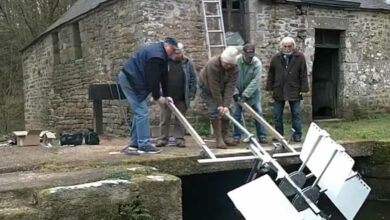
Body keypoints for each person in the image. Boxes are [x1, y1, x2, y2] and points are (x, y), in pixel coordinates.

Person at [117, 37, 178, 154]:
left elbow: (164, 77)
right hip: (129, 79)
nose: (174, 53)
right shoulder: (156, 56)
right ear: (167, 46)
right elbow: (153, 79)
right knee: (142, 110)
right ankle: (144, 144)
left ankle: (134, 144)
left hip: (135, 80)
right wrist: (157, 97)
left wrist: (166, 95)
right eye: (173, 50)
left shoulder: (163, 57)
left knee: (139, 111)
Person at [265, 36, 309, 142]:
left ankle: (297, 134)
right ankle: (278, 135)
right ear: (281, 47)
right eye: (285, 46)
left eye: (289, 46)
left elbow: (303, 73)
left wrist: (304, 88)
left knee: (296, 113)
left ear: (293, 46)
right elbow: (271, 73)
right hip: (279, 88)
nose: (287, 48)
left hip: (294, 88)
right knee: (277, 115)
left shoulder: (300, 57)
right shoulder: (276, 58)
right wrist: (269, 87)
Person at [156, 43, 197, 148]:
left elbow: (193, 79)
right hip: (166, 96)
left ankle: (179, 139)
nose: (176, 55)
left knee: (180, 119)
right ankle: (162, 139)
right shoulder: (164, 62)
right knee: (165, 119)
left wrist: (192, 93)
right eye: (174, 52)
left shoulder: (187, 63)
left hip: (182, 96)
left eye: (178, 53)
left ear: (182, 52)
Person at [198, 46, 240, 149]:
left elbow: (230, 87)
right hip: (208, 88)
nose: (227, 66)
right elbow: (214, 87)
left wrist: (225, 105)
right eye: (225, 64)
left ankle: (225, 136)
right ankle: (219, 138)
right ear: (221, 59)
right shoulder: (213, 64)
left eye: (230, 65)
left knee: (228, 110)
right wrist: (220, 105)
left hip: (223, 87)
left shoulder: (235, 68)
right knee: (214, 111)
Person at [232, 44, 267, 144]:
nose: (249, 57)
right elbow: (231, 78)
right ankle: (236, 136)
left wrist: (245, 95)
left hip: (253, 94)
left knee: (258, 113)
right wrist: (235, 93)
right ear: (243, 53)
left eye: (251, 55)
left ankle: (262, 135)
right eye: (247, 55)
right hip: (238, 91)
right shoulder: (236, 61)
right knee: (236, 114)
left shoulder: (257, 63)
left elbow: (256, 81)